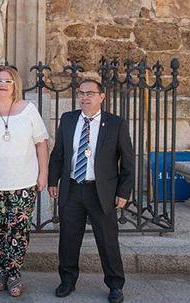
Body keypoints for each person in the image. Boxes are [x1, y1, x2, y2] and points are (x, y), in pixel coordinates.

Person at [49, 79, 134, 303]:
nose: (85, 97)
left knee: (107, 241)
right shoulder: (68, 120)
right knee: (68, 239)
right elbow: (58, 153)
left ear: (101, 97)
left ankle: (115, 285)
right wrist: (52, 181)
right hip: (72, 189)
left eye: (90, 93)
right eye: (81, 93)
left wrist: (124, 192)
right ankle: (67, 281)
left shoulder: (116, 124)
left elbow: (128, 162)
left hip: (101, 192)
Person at [0, 65, 49, 297]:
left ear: (15, 84)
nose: (3, 85)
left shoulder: (28, 109)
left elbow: (41, 142)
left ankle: (14, 272)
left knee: (19, 229)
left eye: (7, 81)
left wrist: (43, 173)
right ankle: (3, 270)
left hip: (24, 180)